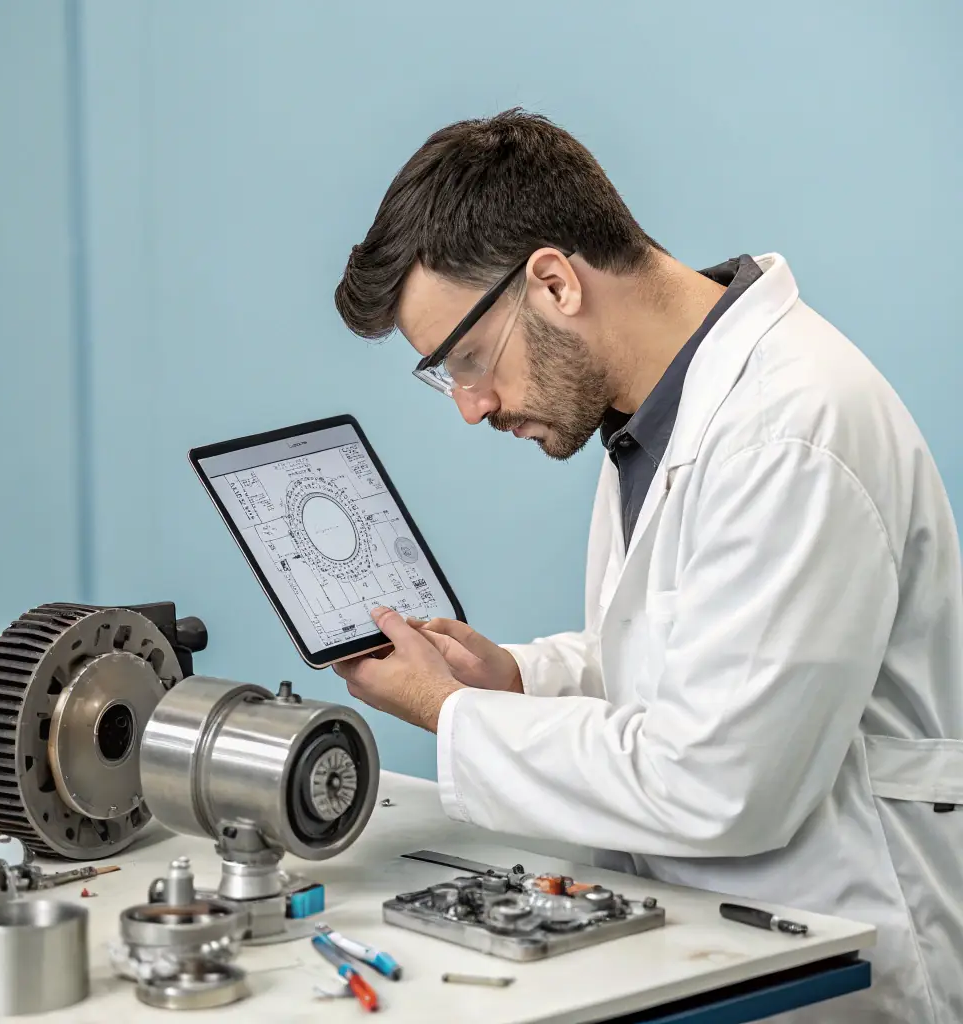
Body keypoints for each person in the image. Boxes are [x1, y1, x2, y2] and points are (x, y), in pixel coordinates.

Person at [331, 109, 963, 1023]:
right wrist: (512, 677)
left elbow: (718, 782)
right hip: (724, 943)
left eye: (467, 360)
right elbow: (696, 654)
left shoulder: (788, 433)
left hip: (845, 960)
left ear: (552, 282)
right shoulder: (662, 414)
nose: (471, 406)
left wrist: (449, 710)